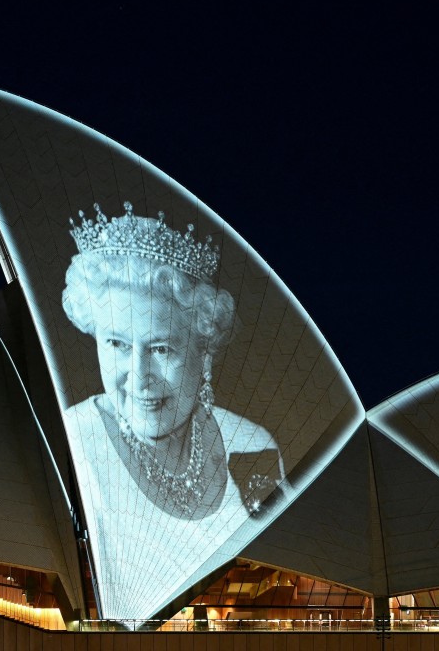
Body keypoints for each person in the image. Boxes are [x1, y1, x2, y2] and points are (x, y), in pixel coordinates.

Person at [61, 202, 285, 621]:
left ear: (204, 351)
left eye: (161, 349)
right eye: (116, 344)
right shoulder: (70, 444)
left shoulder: (253, 445)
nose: (139, 375)